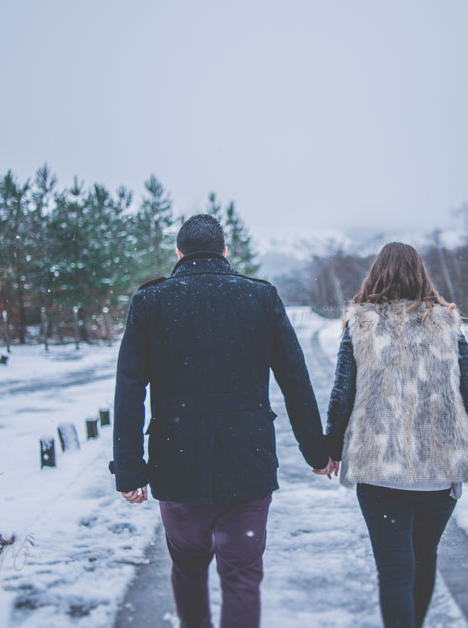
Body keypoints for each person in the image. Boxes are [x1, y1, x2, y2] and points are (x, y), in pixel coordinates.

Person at [110, 213, 334, 628]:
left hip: (177, 465)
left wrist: (129, 469)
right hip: (247, 463)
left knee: (188, 568)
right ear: (225, 252)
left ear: (179, 253)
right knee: (242, 576)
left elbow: (129, 391)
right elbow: (296, 381)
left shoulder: (151, 301)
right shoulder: (260, 298)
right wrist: (317, 453)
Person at [325, 242, 468, 628]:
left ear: (376, 275)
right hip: (439, 472)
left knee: (394, 570)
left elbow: (342, 394)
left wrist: (329, 452)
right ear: (422, 275)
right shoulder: (446, 323)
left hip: (378, 467)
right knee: (424, 560)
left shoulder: (360, 324)